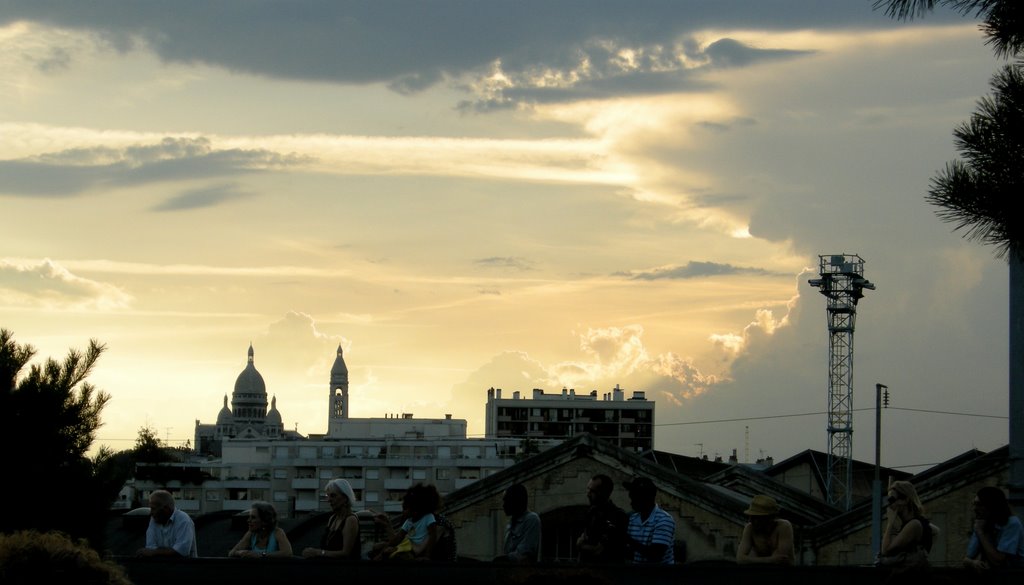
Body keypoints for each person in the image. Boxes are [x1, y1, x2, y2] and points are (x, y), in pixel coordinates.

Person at [371, 482, 441, 561]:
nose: (403, 512)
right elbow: (398, 538)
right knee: (379, 548)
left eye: (405, 509)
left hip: (413, 550)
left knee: (401, 557)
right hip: (405, 546)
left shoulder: (428, 518)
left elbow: (433, 536)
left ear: (416, 509)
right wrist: (384, 549)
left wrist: (427, 556)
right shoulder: (409, 521)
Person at [964, 486, 1024, 570]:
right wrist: (973, 563)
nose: (975, 509)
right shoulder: (981, 523)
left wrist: (981, 532)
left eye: (980, 505)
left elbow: (998, 561)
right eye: (974, 504)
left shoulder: (1012, 523)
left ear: (992, 505)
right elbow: (966, 559)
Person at [877, 481, 934, 569]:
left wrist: (890, 522)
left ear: (905, 500)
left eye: (892, 500)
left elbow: (885, 550)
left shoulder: (914, 524)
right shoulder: (916, 522)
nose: (889, 504)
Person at [302, 478, 361, 559]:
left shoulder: (350, 520)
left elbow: (346, 553)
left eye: (333, 496)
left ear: (345, 498)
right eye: (328, 496)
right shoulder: (333, 519)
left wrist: (318, 552)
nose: (329, 500)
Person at [577, 473, 629, 564]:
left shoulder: (617, 516)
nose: (588, 494)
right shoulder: (591, 512)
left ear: (603, 493)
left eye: (592, 491)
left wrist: (580, 546)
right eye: (588, 489)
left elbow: (599, 550)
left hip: (608, 572)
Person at [624, 476, 675, 565]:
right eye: (631, 495)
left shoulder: (664, 520)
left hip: (660, 577)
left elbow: (655, 555)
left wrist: (626, 539)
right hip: (637, 576)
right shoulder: (632, 518)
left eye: (635, 496)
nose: (631, 501)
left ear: (647, 498)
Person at [136, 489, 198, 558]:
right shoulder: (155, 519)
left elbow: (181, 551)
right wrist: (158, 552)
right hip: (162, 568)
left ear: (166, 508)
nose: (151, 513)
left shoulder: (183, 520)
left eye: (153, 508)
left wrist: (154, 552)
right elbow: (150, 548)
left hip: (184, 568)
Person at [736, 494, 795, 565]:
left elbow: (779, 560)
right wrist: (769, 560)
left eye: (756, 517)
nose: (751, 520)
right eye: (751, 516)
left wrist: (751, 560)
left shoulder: (783, 526)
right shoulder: (750, 528)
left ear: (770, 517)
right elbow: (740, 559)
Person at [229, 501, 294, 559]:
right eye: (249, 517)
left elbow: (287, 552)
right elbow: (231, 553)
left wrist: (261, 555)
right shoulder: (251, 534)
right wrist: (241, 553)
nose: (248, 520)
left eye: (253, 517)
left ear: (264, 521)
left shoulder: (277, 532)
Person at [494, 483, 541, 563]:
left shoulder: (532, 519)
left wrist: (502, 560)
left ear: (515, 501)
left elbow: (525, 553)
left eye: (506, 501)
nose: (504, 505)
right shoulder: (511, 523)